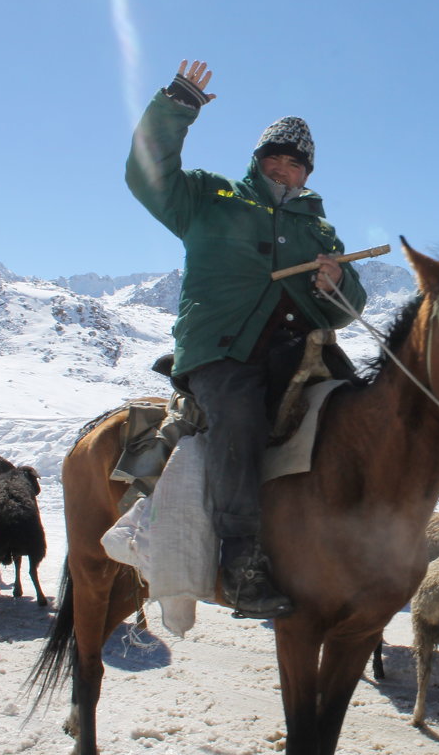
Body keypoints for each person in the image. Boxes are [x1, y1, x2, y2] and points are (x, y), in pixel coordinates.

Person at [126, 59, 367, 618]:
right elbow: (147, 174)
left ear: (308, 174)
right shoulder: (211, 199)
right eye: (274, 158)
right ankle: (242, 561)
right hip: (223, 351)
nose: (283, 169)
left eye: (295, 163)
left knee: (364, 412)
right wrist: (177, 105)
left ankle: (353, 540)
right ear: (258, 161)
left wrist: (335, 281)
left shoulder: (319, 230)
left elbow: (351, 308)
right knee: (239, 418)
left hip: (300, 350)